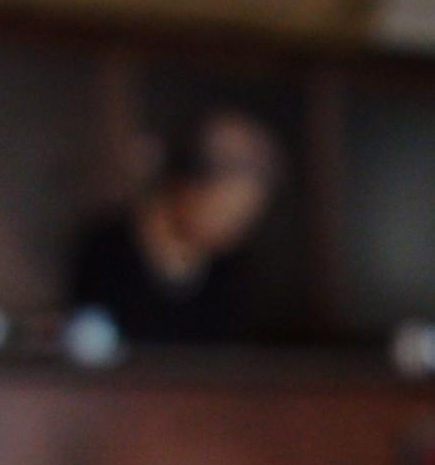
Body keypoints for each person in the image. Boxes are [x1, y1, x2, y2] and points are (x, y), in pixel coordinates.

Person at [71, 109, 280, 343]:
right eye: (226, 214)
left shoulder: (232, 270)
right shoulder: (107, 250)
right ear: (188, 188)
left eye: (245, 221)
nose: (234, 233)